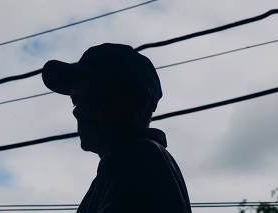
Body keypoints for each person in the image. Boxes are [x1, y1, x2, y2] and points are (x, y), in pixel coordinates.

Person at [42, 43, 192, 213]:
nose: (77, 111)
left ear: (138, 100)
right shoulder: (120, 166)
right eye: (75, 100)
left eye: (91, 95)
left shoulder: (137, 158)